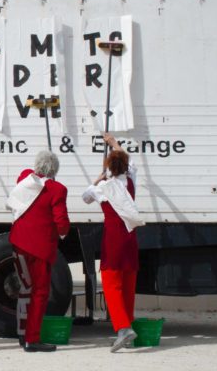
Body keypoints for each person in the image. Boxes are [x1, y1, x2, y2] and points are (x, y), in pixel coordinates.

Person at [82, 133, 145, 353]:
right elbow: (132, 164)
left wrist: (98, 179)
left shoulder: (103, 188)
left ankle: (123, 329)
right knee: (128, 284)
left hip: (113, 239)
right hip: (130, 237)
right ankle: (129, 325)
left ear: (109, 167)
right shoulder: (130, 181)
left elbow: (85, 196)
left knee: (111, 283)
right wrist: (114, 144)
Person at [6, 151, 70, 353]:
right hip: (40, 248)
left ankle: (21, 332)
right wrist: (63, 232)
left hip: (18, 242)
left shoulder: (25, 178)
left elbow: (29, 175)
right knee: (40, 293)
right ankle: (31, 339)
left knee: (24, 288)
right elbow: (61, 224)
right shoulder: (57, 189)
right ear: (55, 170)